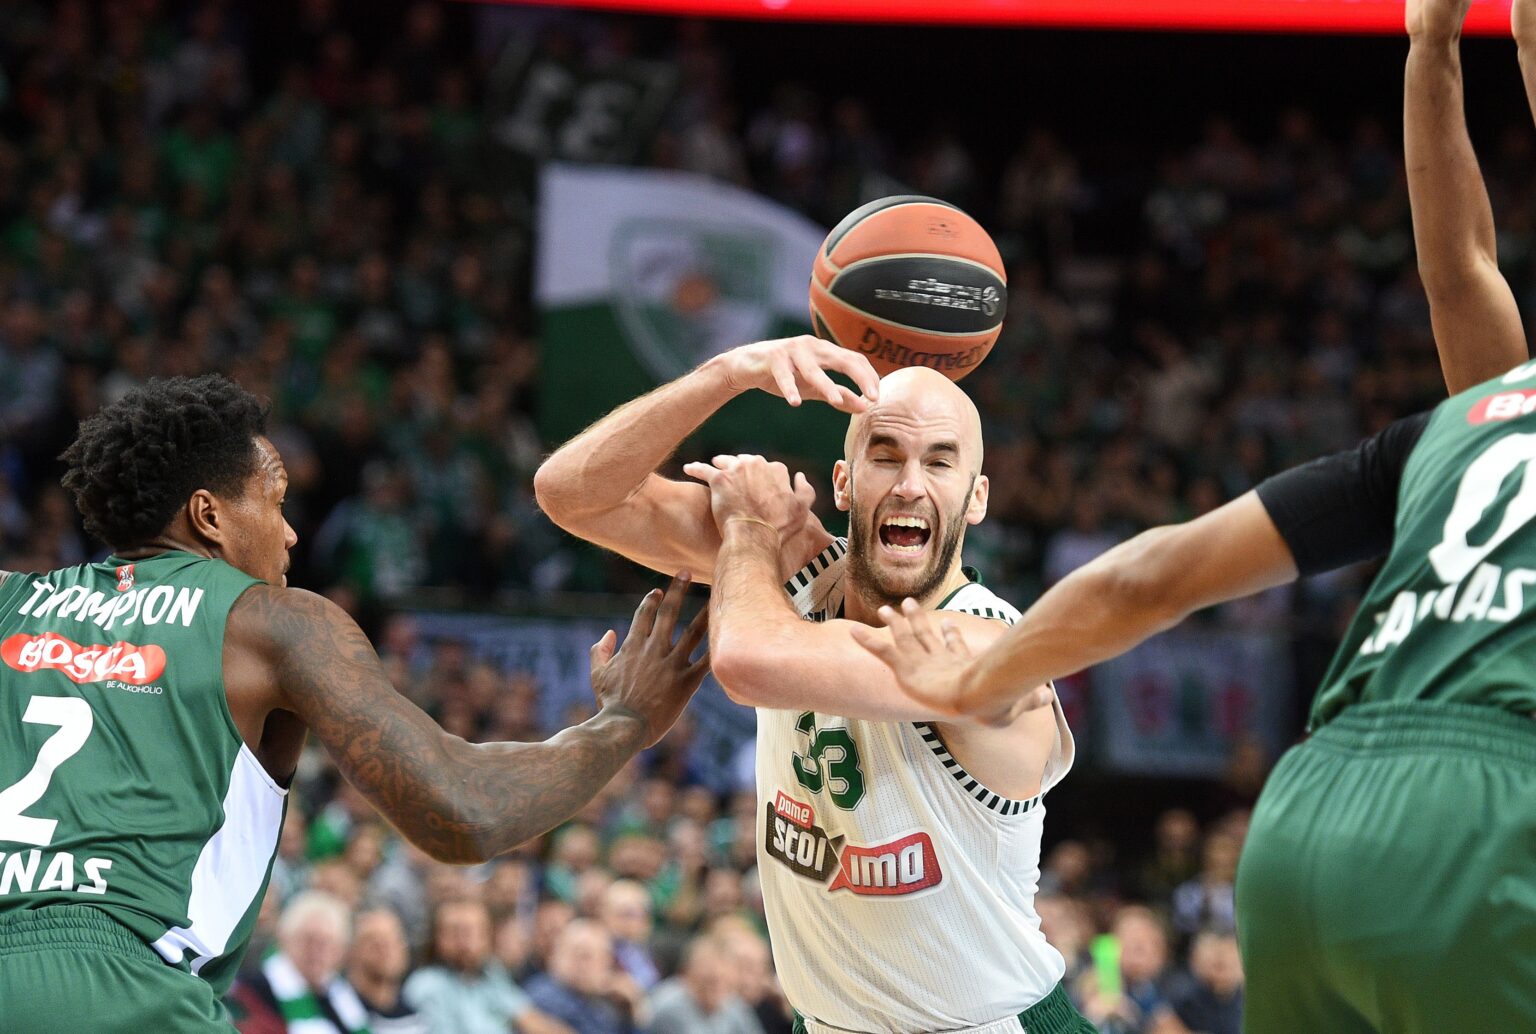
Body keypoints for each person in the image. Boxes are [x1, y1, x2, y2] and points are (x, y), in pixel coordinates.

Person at [854, 6, 1536, 1027]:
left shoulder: (1461, 428)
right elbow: (1463, 276)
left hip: (1312, 820)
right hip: (1490, 818)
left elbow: (1152, 577)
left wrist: (1431, 46)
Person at [0, 375, 711, 1033]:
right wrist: (624, 724)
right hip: (130, 986)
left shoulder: (11, 599)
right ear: (208, 516)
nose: (290, 533)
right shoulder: (272, 622)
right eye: (275, 502)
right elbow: (464, 811)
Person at [537, 339, 1091, 1033]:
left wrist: (746, 529)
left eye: (939, 462)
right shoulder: (786, 570)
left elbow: (749, 662)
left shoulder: (989, 648)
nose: (909, 485)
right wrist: (726, 373)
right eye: (885, 455)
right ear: (843, 483)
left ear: (976, 498)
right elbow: (570, 493)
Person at [402, 898, 568, 1034]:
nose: (465, 942)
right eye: (455, 932)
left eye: (473, 932)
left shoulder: (492, 974)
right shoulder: (426, 985)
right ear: (437, 938)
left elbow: (531, 1020)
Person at [228, 891, 370, 1034]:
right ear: (285, 939)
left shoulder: (342, 996)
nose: (317, 951)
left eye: (327, 943)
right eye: (309, 940)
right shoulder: (254, 989)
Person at [525, 918, 643, 1034]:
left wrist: (630, 1013)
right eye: (583, 955)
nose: (603, 966)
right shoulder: (546, 996)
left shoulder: (597, 1001)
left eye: (604, 958)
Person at [646, 933, 766, 1034]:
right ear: (688, 974)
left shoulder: (733, 1005)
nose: (717, 987)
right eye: (710, 980)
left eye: (722, 980)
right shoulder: (669, 1006)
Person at [344, 906, 428, 1034]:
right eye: (372, 941)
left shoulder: (415, 1015)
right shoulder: (337, 1011)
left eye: (393, 939)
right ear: (350, 951)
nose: (385, 949)